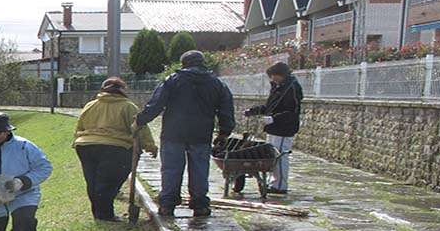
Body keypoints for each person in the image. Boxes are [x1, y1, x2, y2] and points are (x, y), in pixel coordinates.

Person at [135, 50, 235, 218]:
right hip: (201, 134)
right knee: (200, 171)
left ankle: (167, 205)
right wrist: (224, 132)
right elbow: (226, 109)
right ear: (202, 63)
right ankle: (200, 205)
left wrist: (140, 120)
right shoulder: (216, 84)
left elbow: (156, 104)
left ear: (184, 64)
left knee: (171, 170)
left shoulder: (172, 80)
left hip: (173, 133)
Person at [72, 77, 158, 221]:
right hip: (116, 148)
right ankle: (105, 215)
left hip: (85, 146)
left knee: (92, 181)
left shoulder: (90, 105)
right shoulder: (128, 106)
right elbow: (139, 127)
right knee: (108, 182)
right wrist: (150, 146)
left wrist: (78, 141)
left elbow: (79, 127)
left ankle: (99, 214)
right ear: (122, 90)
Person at [236, 61, 303, 196]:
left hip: (284, 128)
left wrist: (274, 118)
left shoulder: (292, 88)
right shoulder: (277, 87)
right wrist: (253, 111)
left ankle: (280, 186)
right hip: (273, 127)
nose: (271, 79)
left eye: (273, 76)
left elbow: (292, 112)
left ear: (280, 75)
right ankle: (273, 182)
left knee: (281, 156)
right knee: (272, 157)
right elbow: (269, 107)